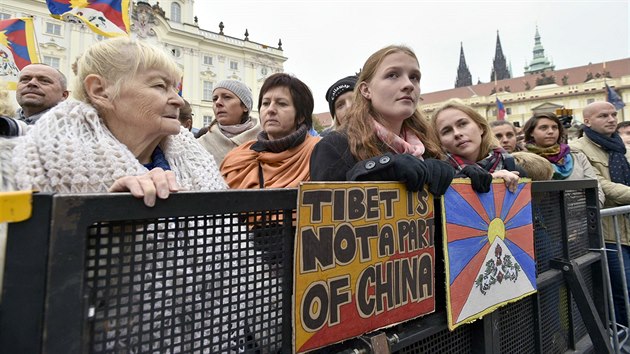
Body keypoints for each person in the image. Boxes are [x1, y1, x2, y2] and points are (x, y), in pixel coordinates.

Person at [0, 37, 226, 206]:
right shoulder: (19, 166)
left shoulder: (195, 158)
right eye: (159, 86)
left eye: (175, 89)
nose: (178, 100)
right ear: (100, 91)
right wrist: (101, 217)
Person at [309, 45, 453, 196]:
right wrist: (381, 167)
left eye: (414, 77)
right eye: (392, 75)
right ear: (366, 90)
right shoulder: (335, 146)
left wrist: (466, 178)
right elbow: (323, 211)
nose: (408, 85)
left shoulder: (428, 145)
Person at [570, 101, 630, 326]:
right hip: (607, 233)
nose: (612, 119)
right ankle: (622, 339)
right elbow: (601, 185)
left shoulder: (621, 147)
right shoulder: (578, 148)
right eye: (604, 115)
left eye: (614, 114)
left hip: (625, 226)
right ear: (587, 121)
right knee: (622, 289)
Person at [221, 73, 319, 189]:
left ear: (301, 116)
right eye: (266, 103)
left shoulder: (319, 152)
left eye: (282, 104)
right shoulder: (237, 159)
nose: (270, 110)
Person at [431, 99, 523, 193]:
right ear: (440, 142)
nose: (457, 133)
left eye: (463, 124)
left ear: (480, 128)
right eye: (447, 131)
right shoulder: (437, 177)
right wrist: (490, 179)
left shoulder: (513, 167)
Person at [523, 112, 604, 204]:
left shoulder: (577, 156)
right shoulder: (525, 160)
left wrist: (589, 212)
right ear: (531, 133)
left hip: (582, 215)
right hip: (547, 216)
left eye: (554, 127)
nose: (550, 131)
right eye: (543, 128)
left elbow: (596, 188)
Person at [198, 80, 261, 165]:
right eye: (214, 99)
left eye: (227, 97)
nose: (218, 103)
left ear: (245, 106)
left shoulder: (264, 140)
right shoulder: (200, 145)